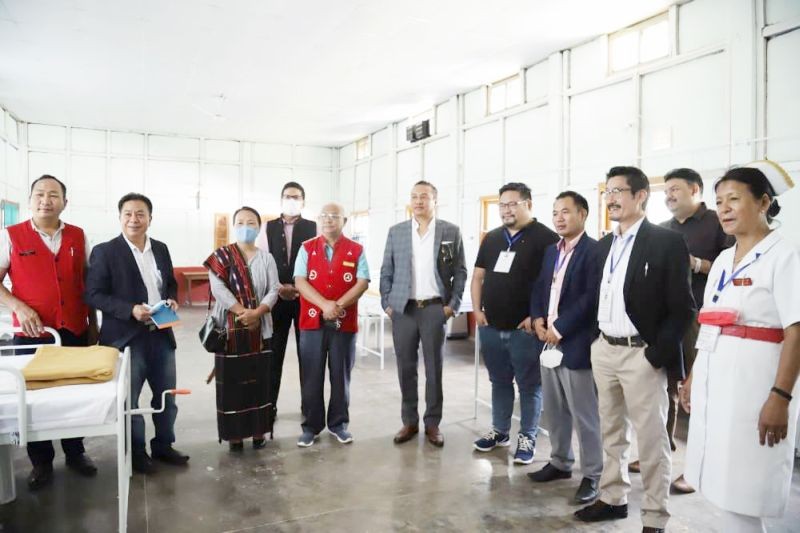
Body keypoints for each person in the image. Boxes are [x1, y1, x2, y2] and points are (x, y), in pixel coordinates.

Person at [682, 161, 800, 533]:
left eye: (734, 199)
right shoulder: (720, 260)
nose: (724, 209)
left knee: (745, 493)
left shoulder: (786, 256)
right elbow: (711, 324)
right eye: (719, 202)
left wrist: (780, 396)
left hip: (755, 388)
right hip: (717, 384)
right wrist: (692, 377)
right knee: (721, 487)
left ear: (764, 202)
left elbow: (796, 331)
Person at [574, 167, 693, 533]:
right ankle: (613, 499)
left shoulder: (665, 241)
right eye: (607, 191)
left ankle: (656, 517)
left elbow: (683, 309)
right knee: (612, 432)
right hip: (605, 351)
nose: (610, 198)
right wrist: (596, 340)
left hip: (641, 354)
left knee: (652, 441)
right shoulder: (604, 244)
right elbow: (598, 296)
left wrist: (655, 356)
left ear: (641, 196)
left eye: (618, 191)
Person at [0, 175, 98, 490]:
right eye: (40, 194)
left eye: (53, 194)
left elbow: (88, 285)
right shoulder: (10, 237)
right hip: (31, 334)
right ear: (30, 201)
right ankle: (41, 461)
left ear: (64, 202)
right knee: (34, 398)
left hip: (74, 329)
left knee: (73, 393)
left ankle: (75, 451)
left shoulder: (79, 237)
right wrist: (18, 306)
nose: (46, 200)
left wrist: (93, 326)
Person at [85, 193, 189, 474]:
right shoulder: (105, 251)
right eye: (128, 213)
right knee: (130, 401)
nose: (134, 219)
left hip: (161, 332)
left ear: (150, 219)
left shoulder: (161, 248)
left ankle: (164, 446)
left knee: (167, 396)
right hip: (125, 338)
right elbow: (93, 294)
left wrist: (171, 299)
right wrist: (130, 309)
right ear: (120, 218)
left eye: (140, 214)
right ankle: (138, 452)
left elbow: (169, 284)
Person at [655, 167, 732, 493]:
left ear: (695, 190)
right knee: (667, 385)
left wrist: (696, 264)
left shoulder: (718, 223)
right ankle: (662, 450)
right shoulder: (663, 229)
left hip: (705, 319)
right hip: (668, 318)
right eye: (666, 191)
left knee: (698, 391)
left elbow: (735, 265)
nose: (669, 196)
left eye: (675, 190)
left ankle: (697, 468)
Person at [470, 182, 558, 463]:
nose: (506, 210)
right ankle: (500, 432)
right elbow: (478, 277)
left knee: (530, 385)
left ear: (528, 204)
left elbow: (552, 283)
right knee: (499, 381)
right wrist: (476, 310)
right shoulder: (493, 238)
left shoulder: (546, 238)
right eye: (502, 205)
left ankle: (527, 436)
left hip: (525, 330)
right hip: (492, 325)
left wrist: (537, 315)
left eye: (512, 204)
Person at [528, 191, 603, 504]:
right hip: (548, 342)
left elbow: (591, 297)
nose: (559, 218)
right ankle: (560, 462)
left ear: (582, 214)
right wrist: (537, 320)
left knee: (584, 414)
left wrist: (561, 327)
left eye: (566, 212)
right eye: (555, 212)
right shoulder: (551, 251)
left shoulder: (595, 251)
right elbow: (540, 287)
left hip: (575, 343)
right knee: (555, 409)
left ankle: (593, 475)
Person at [379, 180, 467, 447]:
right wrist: (387, 303)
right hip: (403, 310)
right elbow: (386, 270)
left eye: (425, 197)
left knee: (434, 369)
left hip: (434, 309)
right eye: (414, 196)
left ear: (434, 201)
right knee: (406, 368)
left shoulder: (450, 231)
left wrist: (452, 305)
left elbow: (460, 271)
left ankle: (432, 423)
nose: (419, 201)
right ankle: (409, 421)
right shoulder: (397, 232)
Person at [293, 203, 369, 447]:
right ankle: (310, 427)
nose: (328, 220)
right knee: (311, 376)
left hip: (343, 324)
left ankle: (339, 424)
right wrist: (325, 305)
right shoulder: (306, 248)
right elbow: (300, 281)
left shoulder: (356, 250)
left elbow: (363, 281)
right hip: (311, 323)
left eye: (334, 216)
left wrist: (338, 305)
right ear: (318, 219)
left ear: (344, 220)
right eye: (324, 216)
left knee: (341, 376)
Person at [205, 206, 280, 451]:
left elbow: (274, 289)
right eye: (240, 222)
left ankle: (258, 431)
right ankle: (234, 436)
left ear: (258, 228)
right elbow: (218, 290)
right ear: (234, 226)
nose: (245, 226)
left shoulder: (266, 258)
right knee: (232, 385)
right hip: (230, 331)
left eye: (251, 222)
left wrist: (258, 313)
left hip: (261, 329)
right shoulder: (221, 256)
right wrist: (242, 312)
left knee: (259, 382)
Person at [255, 182, 317, 416]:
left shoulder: (314, 227)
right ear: (280, 199)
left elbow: (318, 264)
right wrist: (279, 288)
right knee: (273, 354)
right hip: (276, 299)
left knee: (309, 354)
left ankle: (309, 406)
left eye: (296, 197)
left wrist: (301, 289)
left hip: (306, 300)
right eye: (287, 196)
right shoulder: (267, 227)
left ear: (303, 201)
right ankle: (269, 406)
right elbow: (262, 262)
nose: (291, 200)